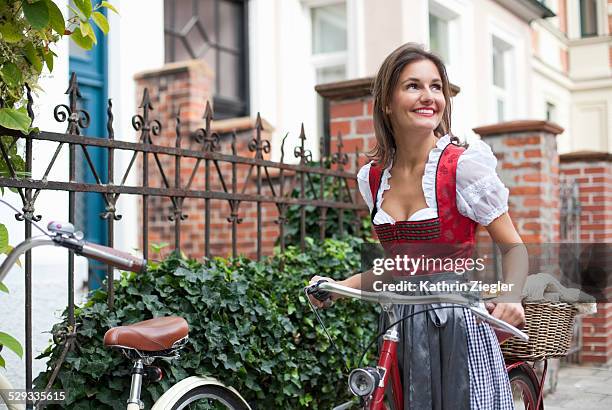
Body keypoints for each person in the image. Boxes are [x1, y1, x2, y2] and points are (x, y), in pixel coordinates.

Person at [308, 43, 528, 409]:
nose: (429, 97)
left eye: (436, 86)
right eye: (413, 86)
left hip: (457, 327)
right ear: (387, 102)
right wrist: (335, 287)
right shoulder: (374, 179)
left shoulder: (462, 168)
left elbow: (514, 246)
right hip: (401, 329)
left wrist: (511, 295)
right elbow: (399, 270)